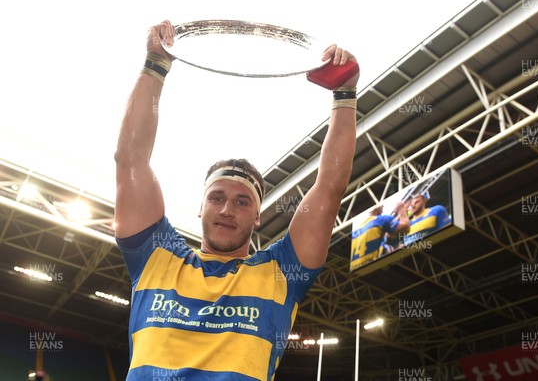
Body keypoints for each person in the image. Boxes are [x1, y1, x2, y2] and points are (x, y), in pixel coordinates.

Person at [113, 20, 359, 381]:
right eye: (217, 198)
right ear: (201, 207)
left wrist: (345, 95)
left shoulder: (280, 273)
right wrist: (155, 65)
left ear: (258, 217)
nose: (227, 210)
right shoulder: (155, 256)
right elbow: (130, 158)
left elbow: (330, 187)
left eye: (243, 202)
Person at [350, 201, 409, 270]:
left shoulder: (357, 231)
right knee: (401, 247)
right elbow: (406, 227)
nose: (383, 207)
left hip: (357, 269)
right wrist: (401, 209)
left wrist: (398, 217)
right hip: (373, 264)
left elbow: (386, 234)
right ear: (377, 209)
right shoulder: (381, 219)